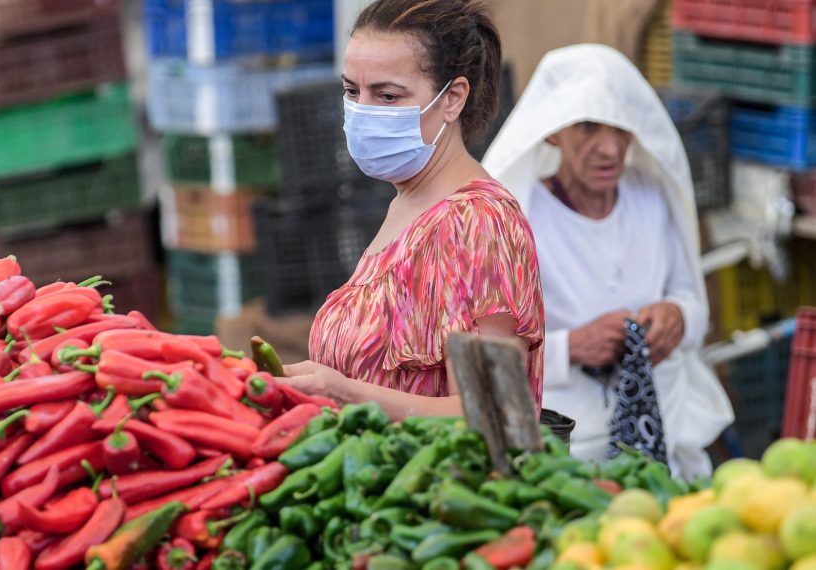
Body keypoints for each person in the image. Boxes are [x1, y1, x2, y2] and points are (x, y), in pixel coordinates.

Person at [278, 0, 545, 421]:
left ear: (453, 98)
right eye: (352, 92)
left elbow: (495, 413)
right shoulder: (407, 203)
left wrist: (344, 394)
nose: (363, 111)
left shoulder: (477, 223)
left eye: (387, 95)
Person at [481, 44, 733, 478]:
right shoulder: (516, 216)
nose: (610, 149)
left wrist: (677, 316)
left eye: (621, 128)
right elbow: (483, 355)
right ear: (553, 133)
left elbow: (691, 301)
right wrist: (569, 348)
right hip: (563, 449)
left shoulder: (650, 195)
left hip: (666, 432)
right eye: (588, 127)